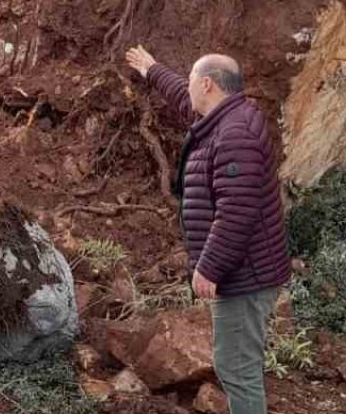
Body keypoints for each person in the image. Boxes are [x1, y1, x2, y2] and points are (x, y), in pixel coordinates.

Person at [124, 45, 289, 414]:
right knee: (235, 364)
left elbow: (238, 212)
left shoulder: (235, 135)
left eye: (193, 81)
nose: (189, 88)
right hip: (245, 269)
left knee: (237, 368)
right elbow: (185, 99)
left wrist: (209, 266)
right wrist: (152, 69)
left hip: (244, 275)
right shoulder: (226, 117)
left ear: (209, 85)